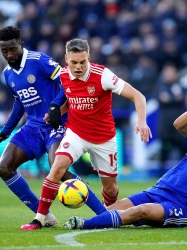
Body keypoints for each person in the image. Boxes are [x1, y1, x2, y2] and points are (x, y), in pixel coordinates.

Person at [63, 90, 187, 230]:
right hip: (158, 191)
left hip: (182, 206)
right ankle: (90, 217)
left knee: (139, 211)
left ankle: (81, 223)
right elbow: (179, 124)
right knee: (116, 207)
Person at [21, 38, 152, 230]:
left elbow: (138, 96)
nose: (79, 67)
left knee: (111, 188)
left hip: (104, 138)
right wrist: (57, 112)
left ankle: (109, 213)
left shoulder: (102, 75)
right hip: (76, 133)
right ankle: (40, 218)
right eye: (74, 62)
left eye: (83, 62)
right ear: (66, 59)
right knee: (57, 168)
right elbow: (72, 100)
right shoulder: (64, 75)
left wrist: (141, 121)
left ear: (88, 57)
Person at [0, 26, 107, 227]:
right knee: (3, 167)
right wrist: (6, 131)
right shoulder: (8, 74)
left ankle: (105, 214)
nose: (9, 54)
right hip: (33, 128)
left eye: (13, 49)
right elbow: (19, 102)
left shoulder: (39, 60)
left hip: (57, 123)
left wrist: (56, 105)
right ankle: (45, 216)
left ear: (21, 45)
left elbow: (69, 81)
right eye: (4, 51)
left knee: (58, 168)